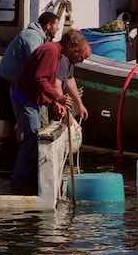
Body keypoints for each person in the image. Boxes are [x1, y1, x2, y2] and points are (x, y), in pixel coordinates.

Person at [10, 30, 92, 194]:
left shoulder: (57, 54)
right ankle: (20, 183)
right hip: (24, 98)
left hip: (33, 99)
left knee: (34, 139)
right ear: (72, 46)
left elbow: (43, 81)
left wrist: (53, 102)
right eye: (79, 55)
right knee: (32, 139)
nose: (79, 60)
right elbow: (40, 79)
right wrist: (58, 97)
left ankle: (27, 179)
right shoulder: (51, 51)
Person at [0, 12, 60, 167]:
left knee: (15, 123)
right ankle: (7, 161)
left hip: (13, 81)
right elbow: (37, 63)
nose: (57, 29)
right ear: (48, 25)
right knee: (10, 123)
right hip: (8, 81)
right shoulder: (32, 36)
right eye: (56, 25)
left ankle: (12, 160)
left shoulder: (39, 36)